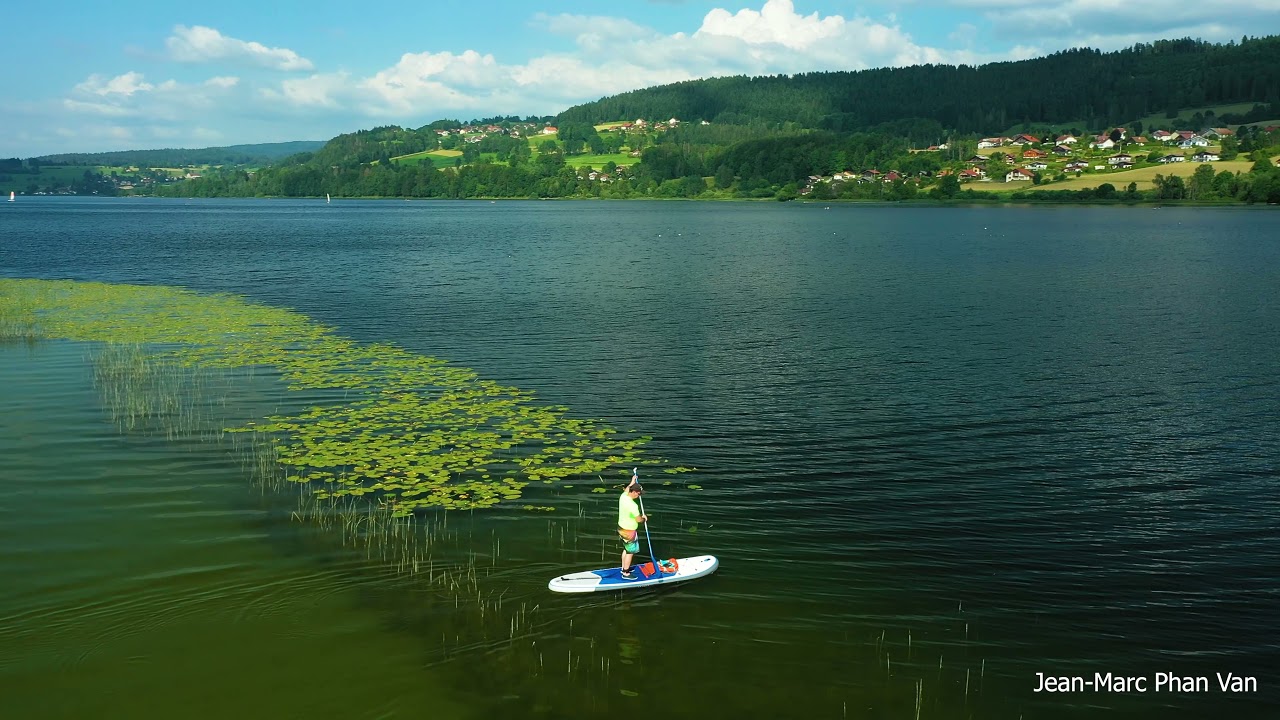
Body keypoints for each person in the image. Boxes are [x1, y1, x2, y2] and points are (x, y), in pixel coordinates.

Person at [617, 472, 648, 579]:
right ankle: (626, 572)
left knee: (626, 549)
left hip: (621, 528)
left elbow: (627, 489)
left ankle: (623, 567)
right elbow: (638, 520)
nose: (639, 495)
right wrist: (644, 518)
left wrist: (632, 481)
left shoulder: (623, 496)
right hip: (629, 531)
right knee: (630, 552)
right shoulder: (633, 505)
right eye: (638, 493)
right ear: (634, 492)